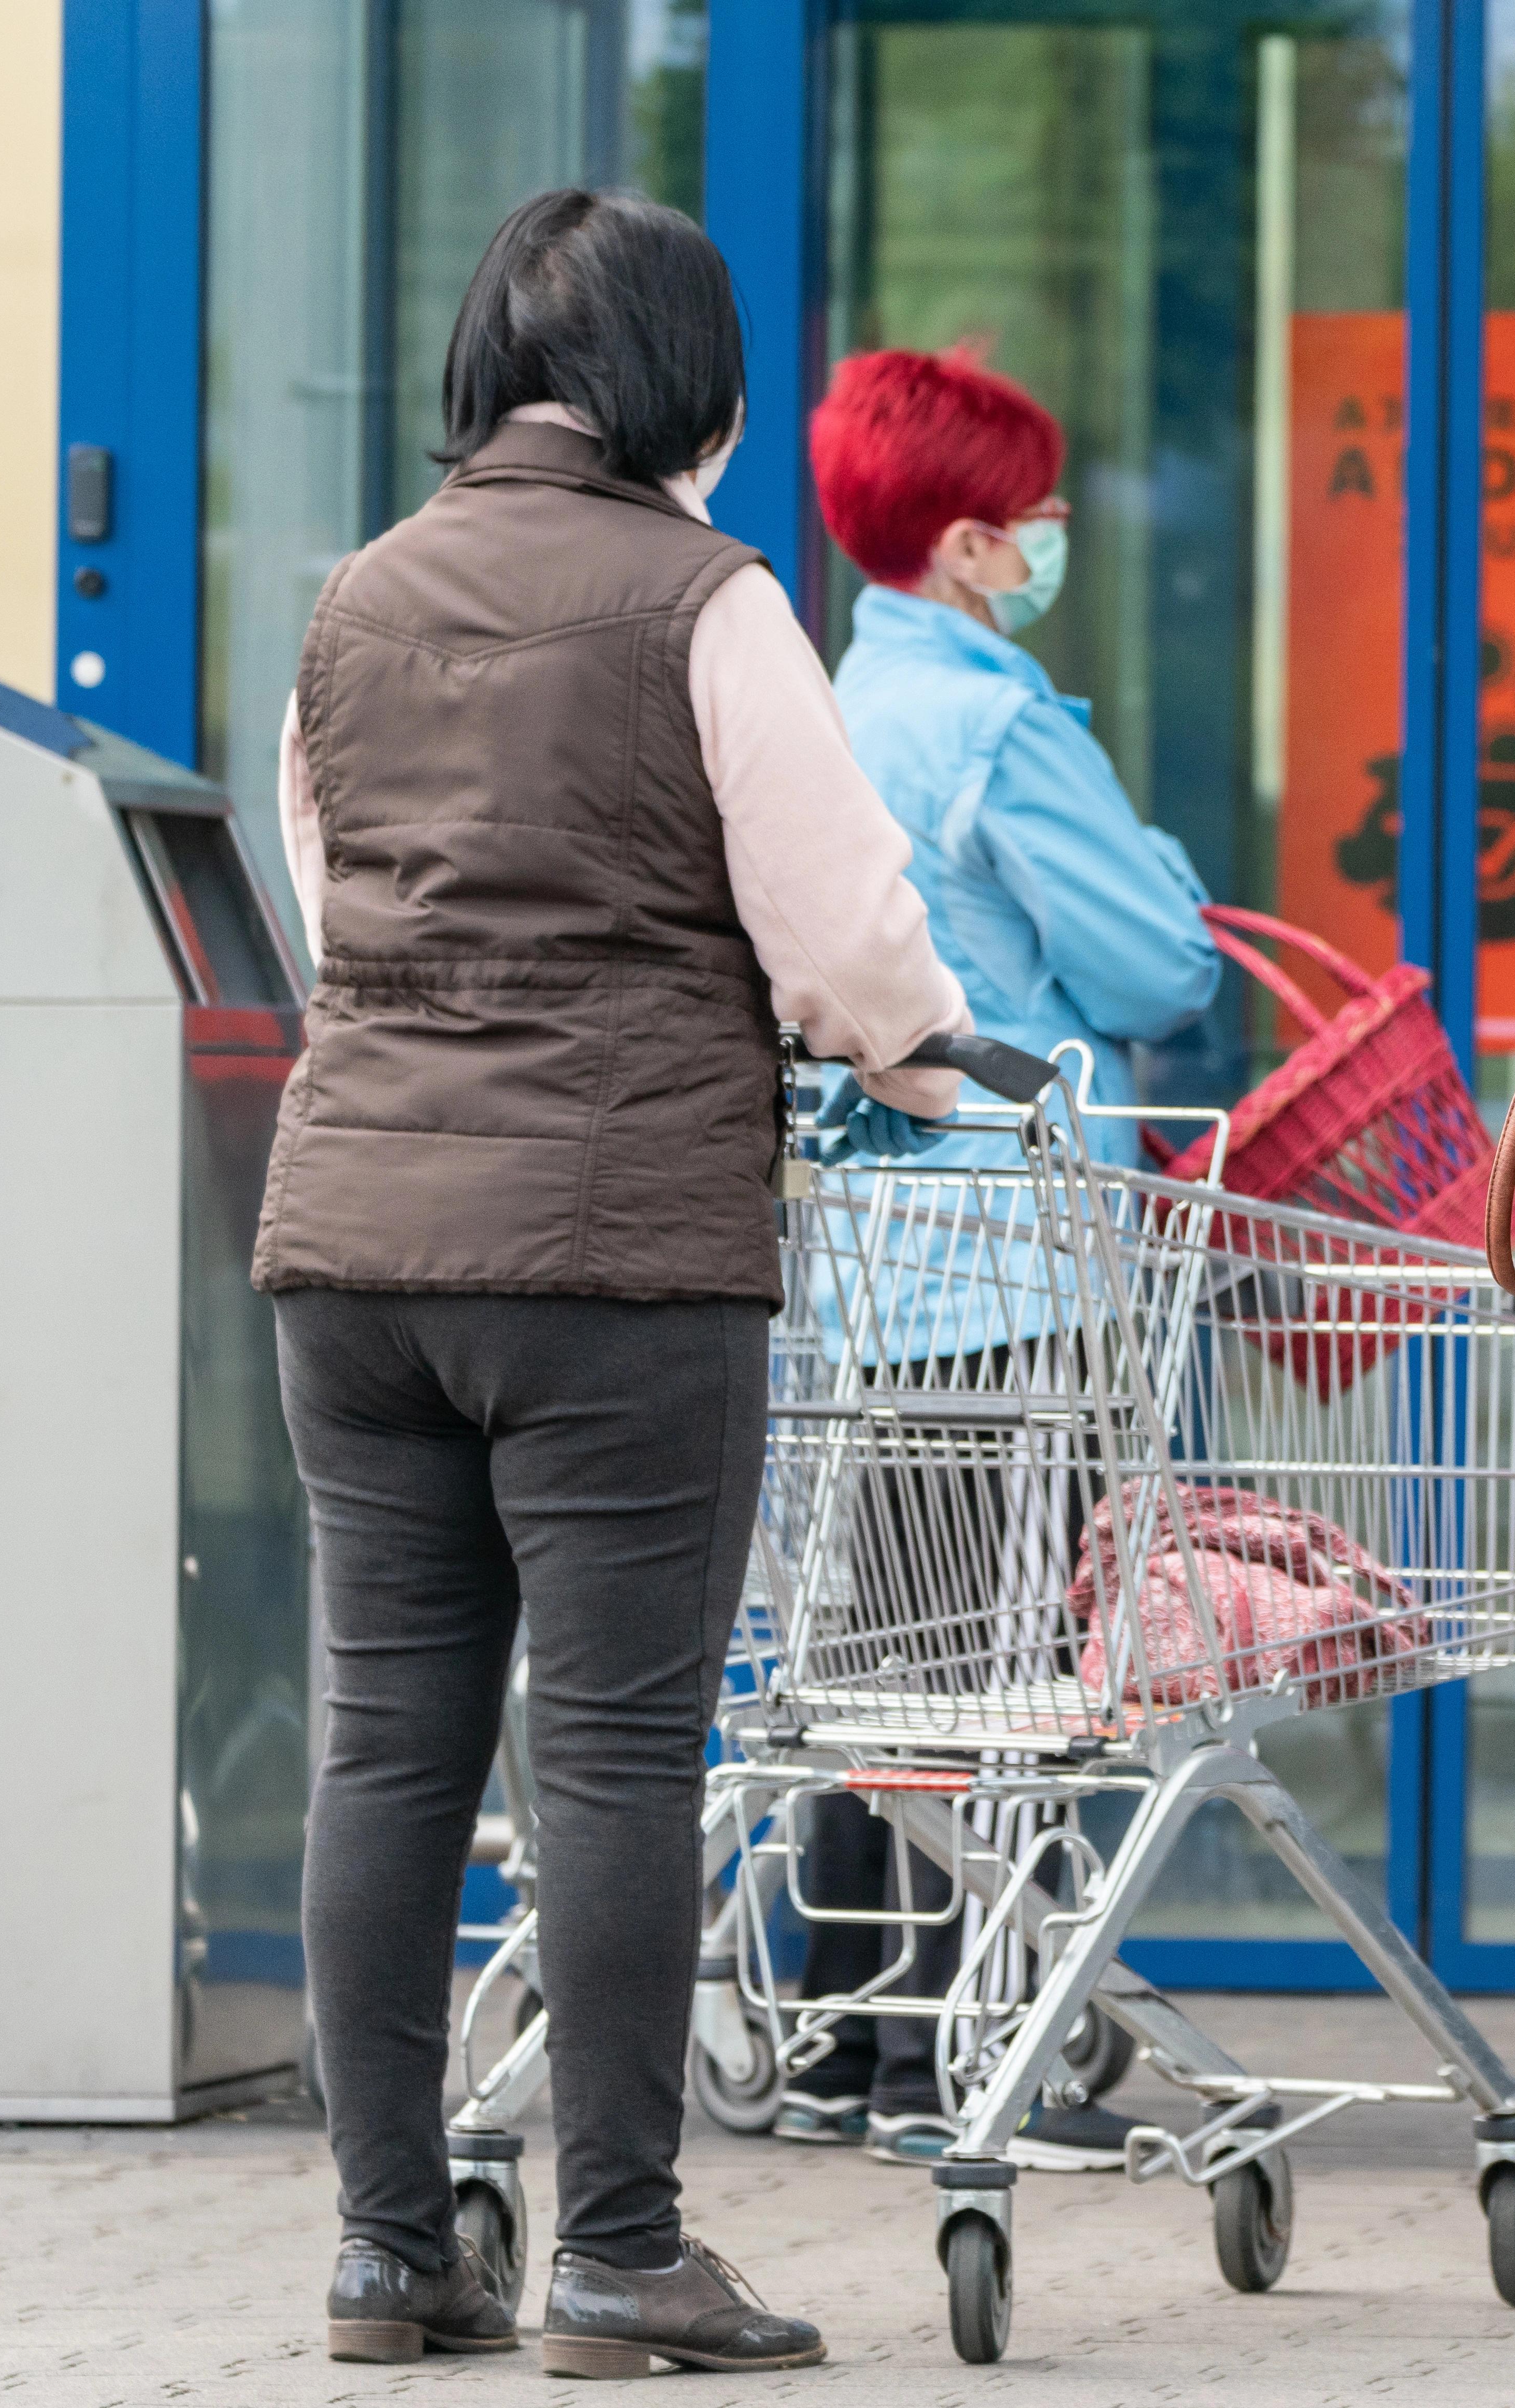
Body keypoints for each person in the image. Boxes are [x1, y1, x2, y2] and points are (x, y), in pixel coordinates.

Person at [263, 190, 975, 2374]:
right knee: (615, 1753)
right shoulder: (709, 598)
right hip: (614, 1260)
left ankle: (396, 2250)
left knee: (388, 1743)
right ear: (695, 383)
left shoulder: (356, 601)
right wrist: (917, 1051)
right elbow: (844, 927)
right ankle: (623, 2251)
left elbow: (330, 893)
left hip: (358, 1242)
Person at [771, 346, 1222, 2165]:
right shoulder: (999, 726)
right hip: (1015, 1252)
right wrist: (1168, 870)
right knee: (1010, 1667)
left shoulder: (828, 703)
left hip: (869, 1243)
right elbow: (1153, 967)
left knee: (877, 1649)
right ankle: (974, 2064)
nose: (1047, 542)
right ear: (966, 547)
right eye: (1029, 520)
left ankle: (840, 2041)